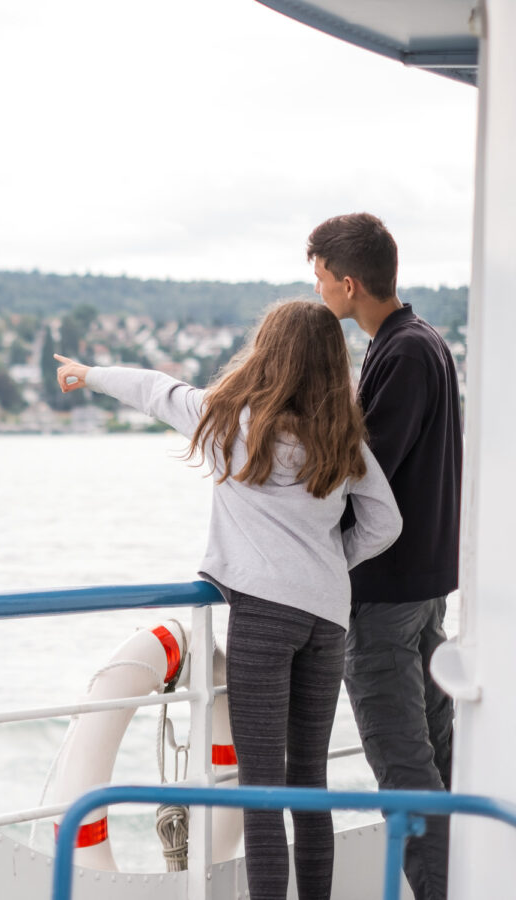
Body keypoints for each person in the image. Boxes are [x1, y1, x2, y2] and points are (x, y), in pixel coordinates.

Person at [55, 299, 401, 900]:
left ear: (268, 354)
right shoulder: (342, 438)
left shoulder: (230, 421)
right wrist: (328, 565)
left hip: (264, 617)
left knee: (260, 788)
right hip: (326, 618)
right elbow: (385, 523)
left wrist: (88, 374)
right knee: (308, 782)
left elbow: (156, 390)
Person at [307, 212, 462, 900]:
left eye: (320, 279)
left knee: (404, 770)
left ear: (348, 284)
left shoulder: (400, 354)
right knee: (438, 756)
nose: (317, 292)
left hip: (387, 597)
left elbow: (368, 476)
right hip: (422, 587)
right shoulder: (421, 342)